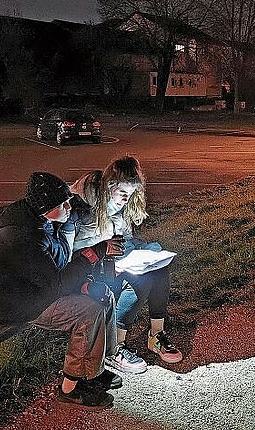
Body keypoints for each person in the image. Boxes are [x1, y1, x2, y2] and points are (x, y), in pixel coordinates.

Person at [0, 172, 125, 409]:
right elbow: (56, 283)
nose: (69, 207)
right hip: (18, 302)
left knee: (104, 295)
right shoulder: (21, 237)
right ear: (46, 207)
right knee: (89, 311)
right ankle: (71, 387)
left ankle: (95, 370)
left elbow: (57, 267)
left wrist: (84, 282)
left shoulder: (45, 223)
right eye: (63, 204)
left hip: (40, 290)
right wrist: (94, 252)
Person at [63, 156, 183, 373]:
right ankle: (114, 346)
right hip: (85, 271)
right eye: (122, 194)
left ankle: (156, 335)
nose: (126, 200)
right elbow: (67, 253)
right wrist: (104, 254)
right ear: (110, 186)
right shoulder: (80, 206)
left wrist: (140, 251)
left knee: (158, 268)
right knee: (140, 278)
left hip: (110, 263)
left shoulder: (119, 207)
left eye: (131, 195)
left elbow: (124, 240)